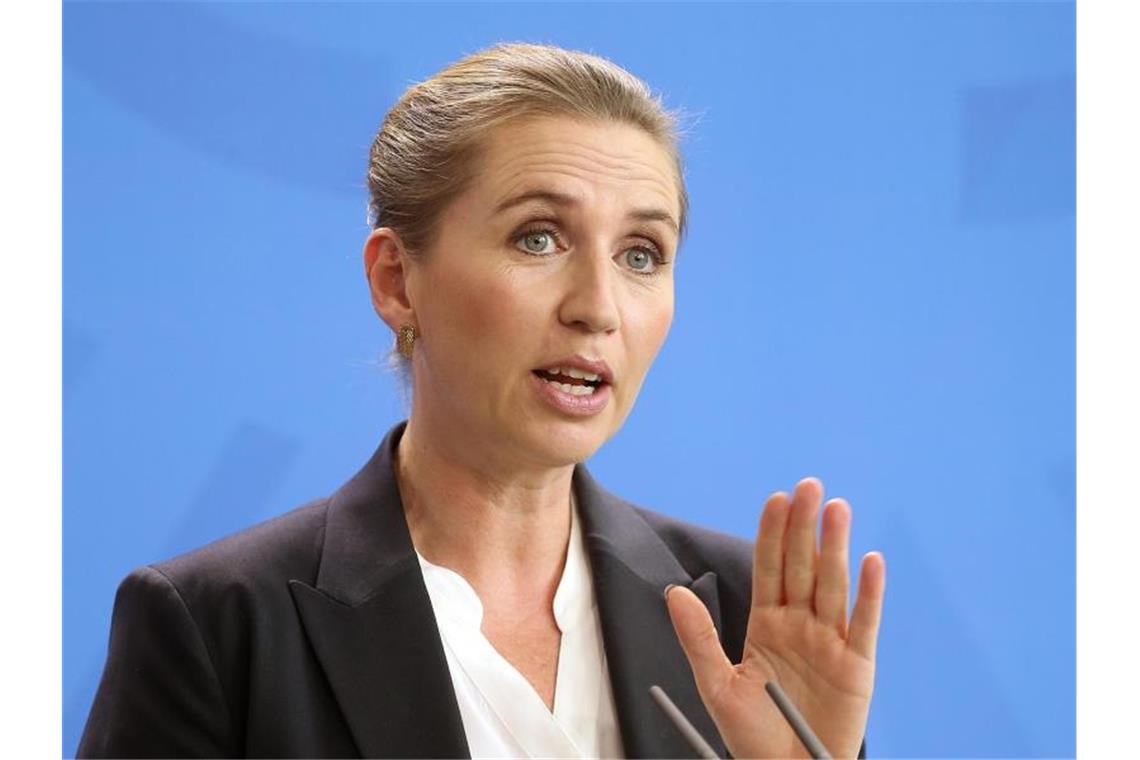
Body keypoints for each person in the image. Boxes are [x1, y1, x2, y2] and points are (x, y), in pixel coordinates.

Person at [77, 43, 885, 759]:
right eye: (538, 238)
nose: (598, 306)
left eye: (642, 253)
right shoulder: (221, 626)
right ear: (397, 281)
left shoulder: (745, 610)